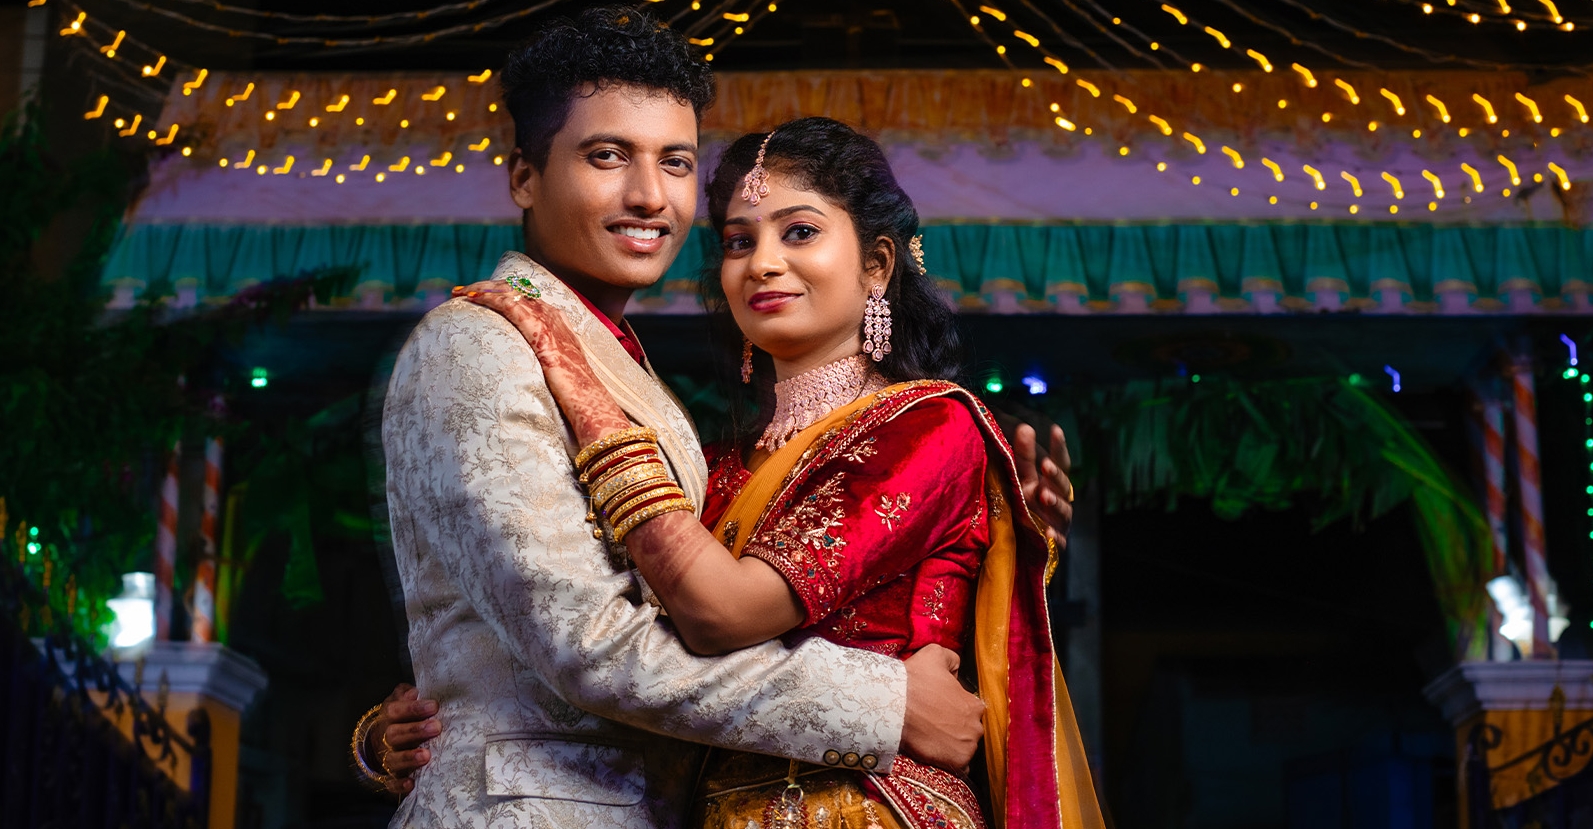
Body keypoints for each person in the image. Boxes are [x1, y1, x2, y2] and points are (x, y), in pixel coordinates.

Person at [359, 8, 1005, 827]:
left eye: (674, 163)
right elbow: (591, 645)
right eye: (606, 156)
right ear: (524, 176)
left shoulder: (620, 368)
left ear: (878, 263)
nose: (648, 195)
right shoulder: (484, 342)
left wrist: (1008, 533)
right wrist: (886, 705)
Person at [451, 117, 1104, 827]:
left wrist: (591, 404)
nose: (762, 262)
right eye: (739, 241)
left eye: (799, 232)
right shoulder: (715, 469)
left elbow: (724, 613)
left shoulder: (928, 427)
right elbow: (621, 651)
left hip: (866, 810)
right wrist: (425, 723)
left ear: (877, 263)